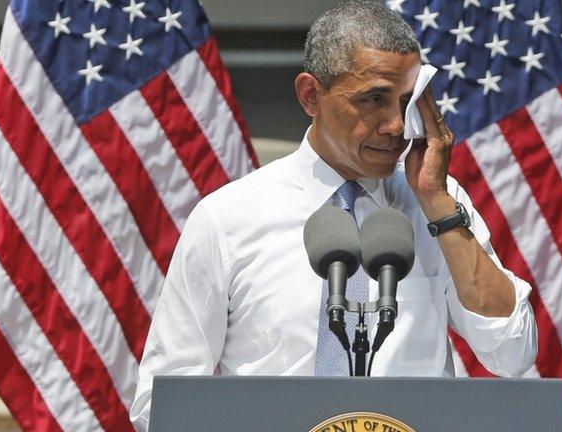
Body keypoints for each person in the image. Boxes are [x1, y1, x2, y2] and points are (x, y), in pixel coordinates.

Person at [130, 1, 537, 429]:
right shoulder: (227, 219)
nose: (397, 125)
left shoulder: (438, 205)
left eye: (407, 101)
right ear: (311, 95)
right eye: (374, 99)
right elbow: (162, 401)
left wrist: (437, 204)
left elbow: (512, 353)